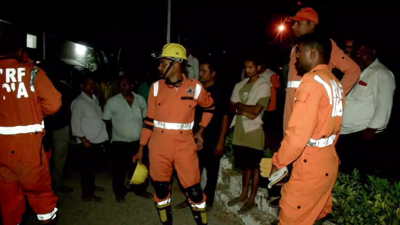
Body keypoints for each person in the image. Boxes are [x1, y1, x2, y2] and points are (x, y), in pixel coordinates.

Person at [263, 33, 345, 224]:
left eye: (300, 51)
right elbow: (336, 127)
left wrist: (279, 162)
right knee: (314, 217)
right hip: (328, 158)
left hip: (311, 163)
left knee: (291, 217)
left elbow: (298, 134)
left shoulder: (312, 81)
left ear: (313, 52)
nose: (296, 56)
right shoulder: (334, 82)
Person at [134, 43, 214, 225]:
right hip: (159, 146)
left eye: (163, 63)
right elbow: (149, 121)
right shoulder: (155, 88)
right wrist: (141, 149)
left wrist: (201, 130)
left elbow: (210, 107)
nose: (159, 67)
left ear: (176, 64)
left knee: (194, 191)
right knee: (161, 190)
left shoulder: (195, 87)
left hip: (184, 146)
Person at [0, 27, 61, 225]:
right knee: (41, 196)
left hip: (1, 148)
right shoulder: (32, 72)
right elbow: (54, 103)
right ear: (19, 51)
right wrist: (33, 111)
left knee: (9, 199)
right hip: (29, 147)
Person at [283, 7, 360, 131]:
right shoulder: (296, 48)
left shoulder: (324, 46)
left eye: (299, 23)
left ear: (312, 25)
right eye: (294, 23)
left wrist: (332, 97)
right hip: (291, 110)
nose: (293, 27)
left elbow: (353, 70)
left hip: (309, 113)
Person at [175, 59, 230, 210]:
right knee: (192, 171)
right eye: (200, 71)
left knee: (211, 173)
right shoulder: (197, 90)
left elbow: (225, 118)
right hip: (195, 137)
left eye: (204, 71)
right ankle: (192, 198)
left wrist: (221, 141)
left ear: (213, 74)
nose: (201, 74)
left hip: (213, 138)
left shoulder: (220, 92)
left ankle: (208, 201)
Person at [337, 40, 395, 175]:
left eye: (363, 52)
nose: (359, 55)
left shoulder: (381, 73)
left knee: (360, 176)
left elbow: (384, 105)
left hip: (362, 135)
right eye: (357, 52)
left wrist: (370, 131)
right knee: (345, 175)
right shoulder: (356, 72)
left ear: (373, 52)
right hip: (345, 134)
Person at [228, 57, 271, 214]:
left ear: (258, 67)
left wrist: (240, 107)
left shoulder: (264, 85)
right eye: (246, 67)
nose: (248, 70)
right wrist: (243, 109)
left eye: (251, 67)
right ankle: (243, 195)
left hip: (253, 130)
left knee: (254, 168)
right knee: (245, 166)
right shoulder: (240, 85)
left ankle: (252, 198)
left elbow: (256, 111)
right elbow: (232, 106)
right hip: (240, 130)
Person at [103, 76, 152, 203]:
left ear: (132, 86)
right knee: (119, 169)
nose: (122, 86)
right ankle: (119, 192)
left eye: (125, 84)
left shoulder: (140, 100)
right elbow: (107, 119)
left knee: (139, 167)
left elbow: (145, 118)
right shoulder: (113, 101)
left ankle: (139, 189)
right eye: (121, 84)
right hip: (120, 142)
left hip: (138, 141)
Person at [71, 76, 109, 202]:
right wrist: (83, 139)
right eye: (88, 84)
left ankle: (91, 187)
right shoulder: (79, 102)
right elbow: (75, 123)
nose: (91, 86)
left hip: (95, 140)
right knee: (86, 169)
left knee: (91, 167)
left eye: (93, 83)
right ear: (82, 86)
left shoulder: (94, 99)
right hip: (86, 142)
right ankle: (87, 194)